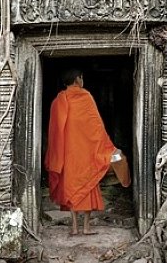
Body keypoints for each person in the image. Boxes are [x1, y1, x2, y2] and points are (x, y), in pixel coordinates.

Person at [44, 68, 118, 235]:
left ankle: (74, 228)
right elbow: (96, 127)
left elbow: (54, 132)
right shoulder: (85, 97)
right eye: (82, 77)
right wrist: (107, 147)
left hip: (67, 154)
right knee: (88, 185)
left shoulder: (58, 101)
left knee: (71, 187)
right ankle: (86, 228)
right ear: (78, 79)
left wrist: (56, 154)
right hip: (85, 152)